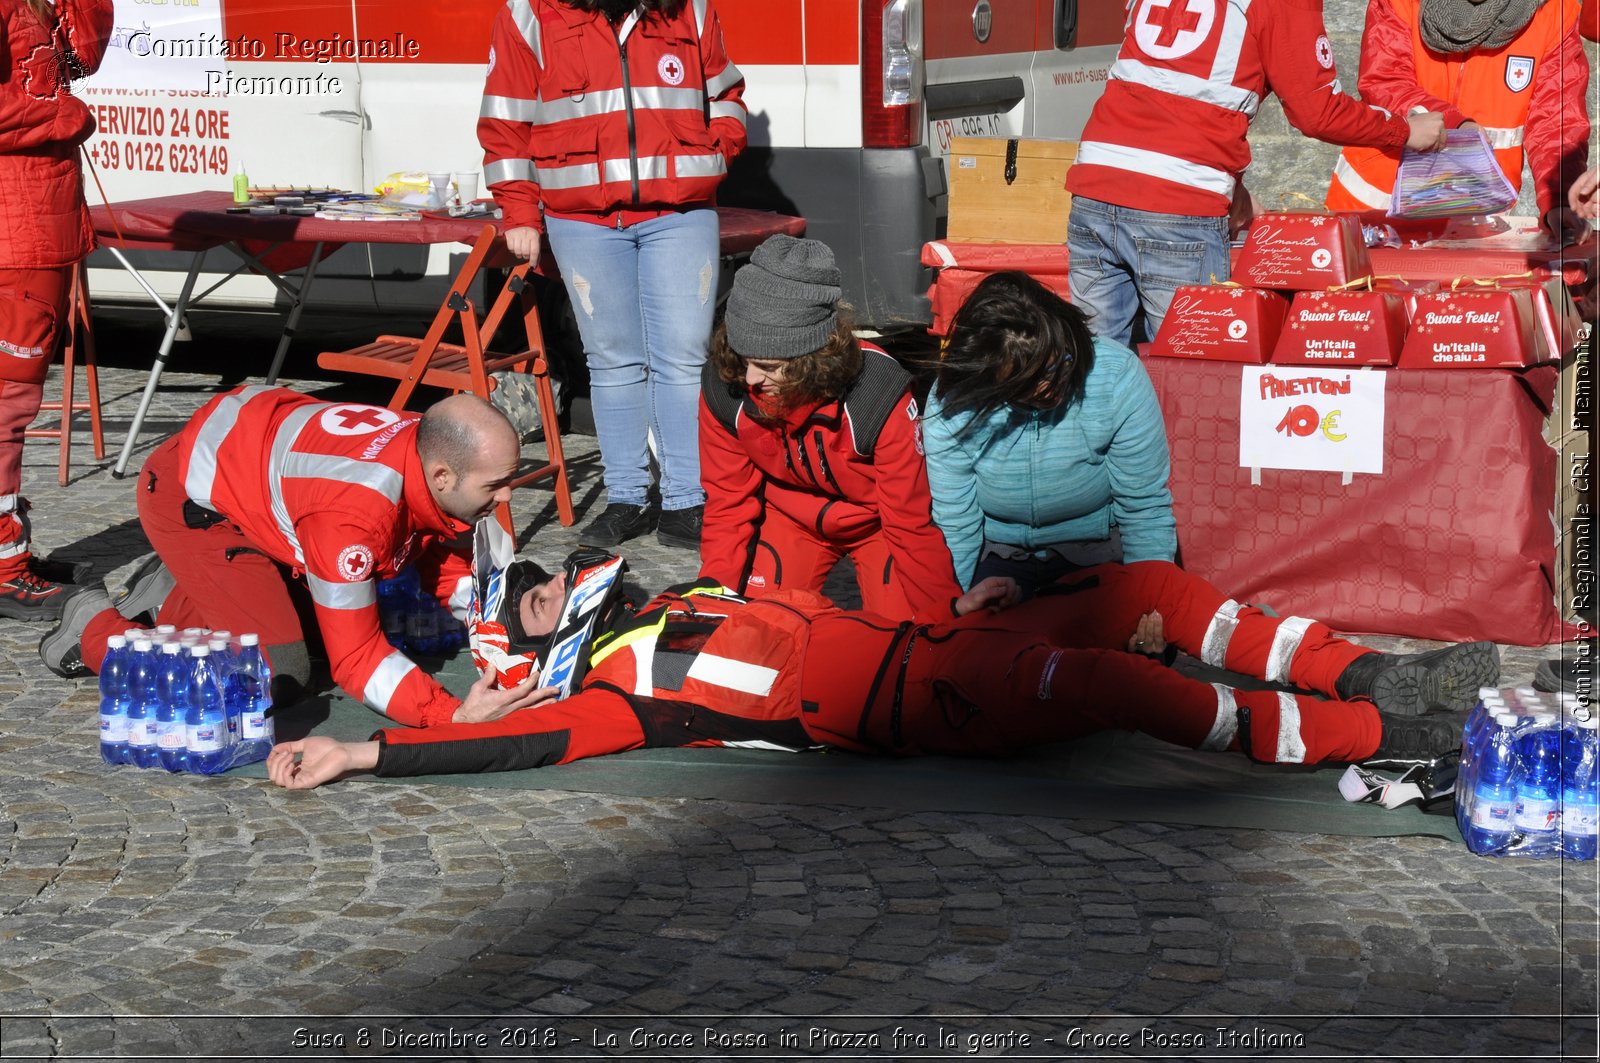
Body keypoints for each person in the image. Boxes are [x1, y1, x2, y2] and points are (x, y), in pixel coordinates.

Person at [265, 556, 1501, 789]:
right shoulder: (618, 693)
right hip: (938, 707)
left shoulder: (687, 591)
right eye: (532, 596)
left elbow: (835, 601)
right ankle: (1365, 737)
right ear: (537, 639)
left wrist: (969, 599)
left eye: (545, 572)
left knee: (1150, 590)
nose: (556, 579)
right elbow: (515, 742)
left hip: (949, 641)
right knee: (1116, 689)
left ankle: (1375, 673)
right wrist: (366, 747)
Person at [38, 388, 549, 727]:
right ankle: (95, 629)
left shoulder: (433, 448)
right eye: (497, 484)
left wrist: (506, 611)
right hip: (193, 499)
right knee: (276, 674)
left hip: (252, 476)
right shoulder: (356, 518)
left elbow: (441, 552)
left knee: (316, 625)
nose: (507, 499)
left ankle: (185, 591)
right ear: (442, 476)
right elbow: (358, 659)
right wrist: (452, 716)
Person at [479, 0, 747, 551]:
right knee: (613, 362)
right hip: (582, 220)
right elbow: (505, 120)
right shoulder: (529, 13)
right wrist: (519, 213)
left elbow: (726, 94)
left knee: (682, 358)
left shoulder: (690, 9)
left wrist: (713, 154)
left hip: (679, 213)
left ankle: (685, 501)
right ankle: (628, 498)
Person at [1064, 0, 1447, 347]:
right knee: (1187, 370)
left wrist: (1235, 191)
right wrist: (1406, 131)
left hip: (1096, 182)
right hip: (1178, 208)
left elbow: (1175, 91)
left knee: (1090, 368)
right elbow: (1318, 111)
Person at [699, 234, 967, 623]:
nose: (751, 379)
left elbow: (910, 522)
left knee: (904, 637)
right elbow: (726, 503)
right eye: (744, 360)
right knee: (755, 629)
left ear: (814, 357)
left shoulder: (878, 394)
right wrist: (710, 600)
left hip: (877, 526)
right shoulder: (725, 386)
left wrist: (946, 617)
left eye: (770, 367)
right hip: (788, 518)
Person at [923, 272, 1176, 597]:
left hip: (1098, 554)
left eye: (1060, 365)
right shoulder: (954, 400)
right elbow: (955, 521)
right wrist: (954, 606)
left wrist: (1151, 598)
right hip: (999, 557)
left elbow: (1144, 506)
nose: (1051, 384)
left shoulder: (1116, 375)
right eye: (1029, 381)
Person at [0, 0, 113, 618]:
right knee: (6, 409)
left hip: (41, 225)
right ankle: (5, 565)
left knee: (12, 408)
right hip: (14, 235)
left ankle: (9, 550)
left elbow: (83, 55)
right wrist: (63, 115)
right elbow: (50, 101)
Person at [1324, 0, 1590, 241]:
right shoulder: (1400, 3)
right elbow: (1385, 80)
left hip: (1475, 221)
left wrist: (1560, 200)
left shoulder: (1555, 14)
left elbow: (1557, 119)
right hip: (1375, 209)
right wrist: (1456, 125)